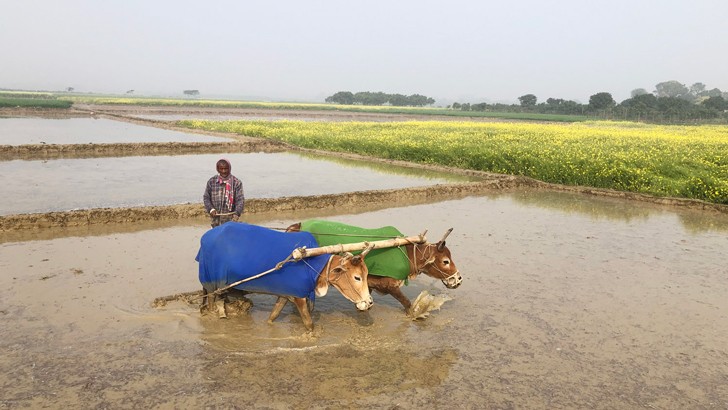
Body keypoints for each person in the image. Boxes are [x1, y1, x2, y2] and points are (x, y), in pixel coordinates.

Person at [203, 158, 244, 228]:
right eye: (221, 169)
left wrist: (237, 213)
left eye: (226, 169)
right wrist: (211, 209)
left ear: (230, 168)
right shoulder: (211, 182)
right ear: (217, 169)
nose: (224, 171)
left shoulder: (236, 182)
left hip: (231, 221)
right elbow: (206, 197)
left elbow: (240, 200)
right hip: (215, 220)